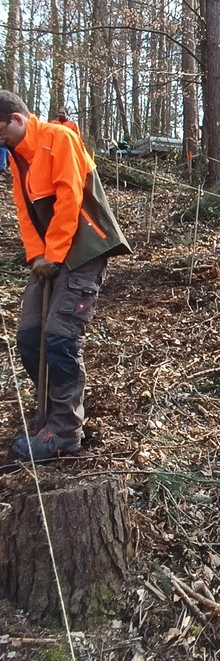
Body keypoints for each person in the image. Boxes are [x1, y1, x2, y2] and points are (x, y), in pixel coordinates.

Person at [0, 90, 131, 461]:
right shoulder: (16, 155)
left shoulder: (59, 139)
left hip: (84, 248)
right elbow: (24, 211)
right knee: (30, 338)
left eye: (0, 130)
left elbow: (70, 197)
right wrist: (37, 255)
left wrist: (54, 255)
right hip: (49, 254)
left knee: (59, 338)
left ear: (16, 119)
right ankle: (50, 413)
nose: (0, 139)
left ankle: (65, 432)